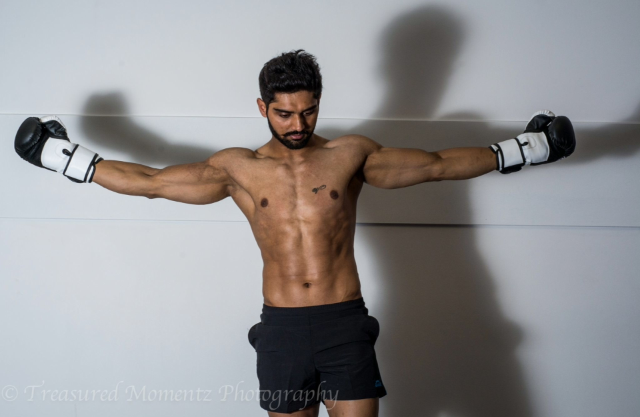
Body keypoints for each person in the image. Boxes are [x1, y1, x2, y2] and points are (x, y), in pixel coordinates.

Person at [14, 49, 576, 417]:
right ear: (263, 107)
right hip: (282, 329)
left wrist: (529, 147)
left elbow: (437, 164)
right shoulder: (238, 168)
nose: (298, 125)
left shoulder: (349, 155)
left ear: (317, 105)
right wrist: (59, 154)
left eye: (308, 112)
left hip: (344, 322)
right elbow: (151, 182)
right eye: (284, 114)